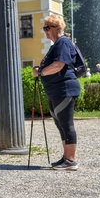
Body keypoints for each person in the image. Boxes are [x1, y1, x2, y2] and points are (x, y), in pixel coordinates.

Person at [32, 15, 81, 171]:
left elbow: (59, 65)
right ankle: (66, 157)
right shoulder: (55, 45)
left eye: (48, 27)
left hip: (64, 89)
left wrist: (40, 72)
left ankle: (71, 161)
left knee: (66, 124)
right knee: (60, 124)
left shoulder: (63, 43)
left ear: (57, 28)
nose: (45, 31)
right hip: (56, 90)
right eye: (44, 28)